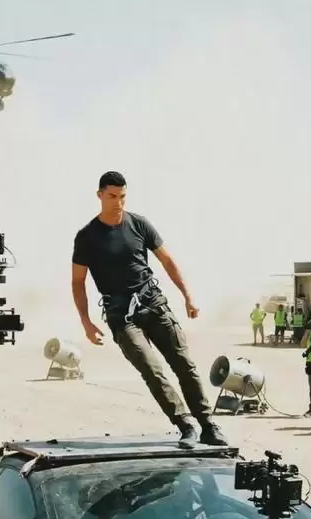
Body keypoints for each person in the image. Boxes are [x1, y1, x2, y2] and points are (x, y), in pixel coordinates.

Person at [71, 171, 227, 449]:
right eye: (112, 196)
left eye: (122, 196)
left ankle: (208, 425)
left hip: (153, 303)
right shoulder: (87, 236)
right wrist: (86, 321)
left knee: (185, 365)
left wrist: (188, 297)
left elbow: (167, 261)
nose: (118, 203)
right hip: (121, 315)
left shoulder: (139, 224)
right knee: (151, 369)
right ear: (99, 195)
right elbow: (77, 281)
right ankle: (185, 425)